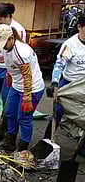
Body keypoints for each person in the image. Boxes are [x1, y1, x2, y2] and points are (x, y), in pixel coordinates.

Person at [0, 24, 45, 151]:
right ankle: (10, 140)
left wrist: (27, 98)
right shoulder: (7, 47)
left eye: (4, 43)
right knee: (10, 112)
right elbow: (6, 58)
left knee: (24, 117)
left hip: (31, 88)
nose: (2, 47)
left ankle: (23, 146)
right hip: (17, 85)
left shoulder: (22, 53)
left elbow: (27, 77)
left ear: (11, 39)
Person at [44, 14, 85, 154]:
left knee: (83, 116)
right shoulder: (70, 45)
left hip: (83, 84)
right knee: (58, 112)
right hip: (69, 83)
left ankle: (82, 147)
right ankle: (47, 141)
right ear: (79, 27)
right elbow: (59, 64)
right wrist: (54, 82)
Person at [0, 3, 26, 110]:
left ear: (8, 16)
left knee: (6, 96)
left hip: (11, 69)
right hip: (0, 67)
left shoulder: (18, 30)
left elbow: (15, 55)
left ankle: (5, 121)